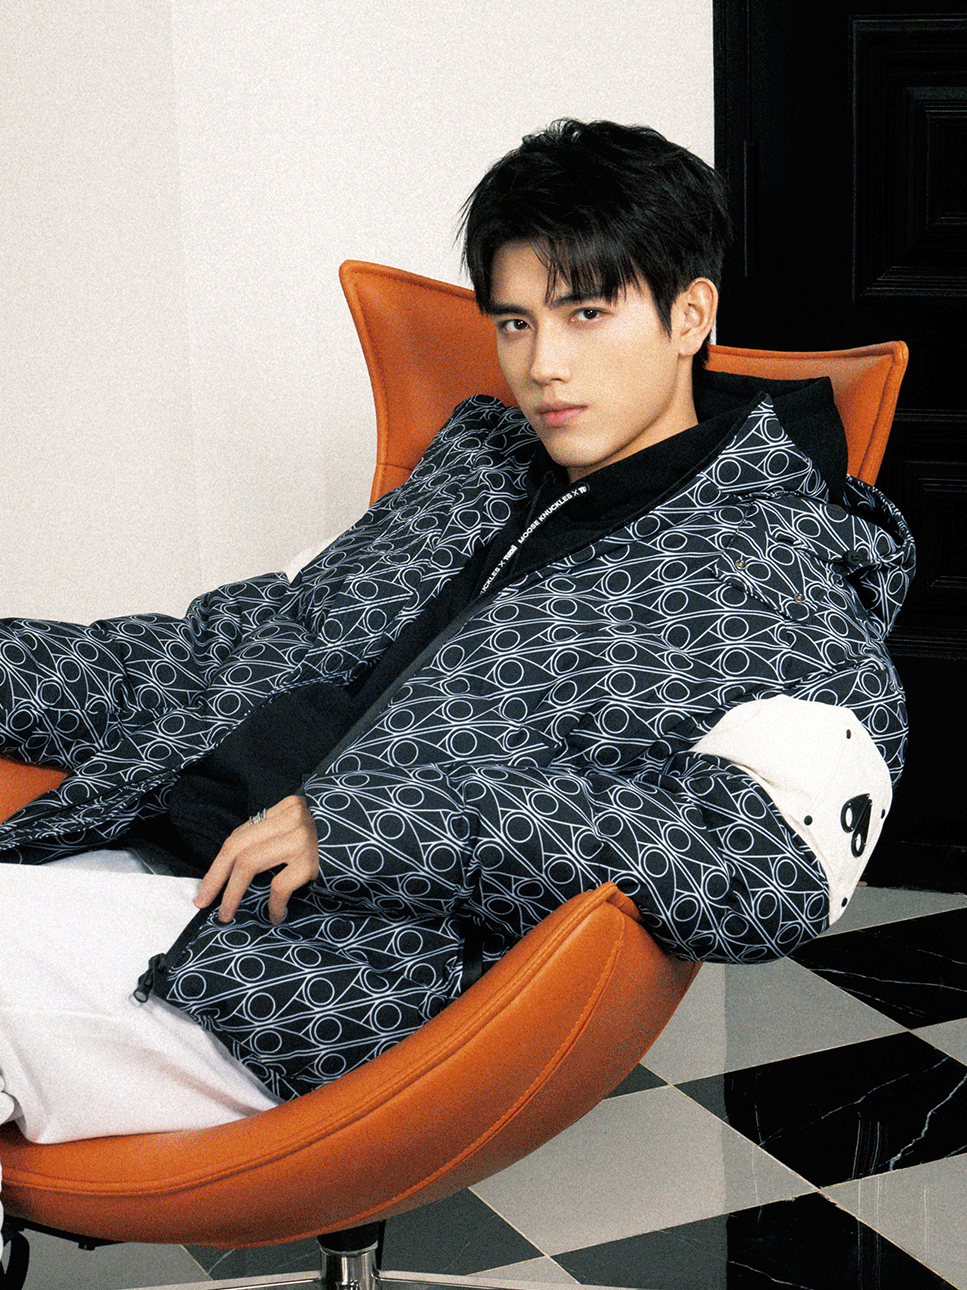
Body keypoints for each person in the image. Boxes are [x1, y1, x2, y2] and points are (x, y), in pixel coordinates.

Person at [0, 119, 913, 1192]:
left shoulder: (773, 564)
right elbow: (227, 653)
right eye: (514, 322)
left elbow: (767, 862)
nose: (542, 365)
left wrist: (383, 824)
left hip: (306, 973)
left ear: (689, 315)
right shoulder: (475, 472)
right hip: (140, 864)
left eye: (585, 313)